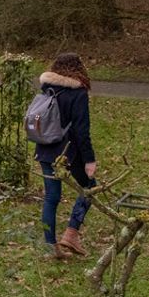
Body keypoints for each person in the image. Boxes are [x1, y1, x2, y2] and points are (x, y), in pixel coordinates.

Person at [35, 53, 96, 259]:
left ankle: (50, 247)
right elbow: (81, 131)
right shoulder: (78, 93)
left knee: (51, 198)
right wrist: (89, 159)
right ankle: (71, 233)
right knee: (90, 187)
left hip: (44, 149)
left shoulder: (47, 89)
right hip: (68, 152)